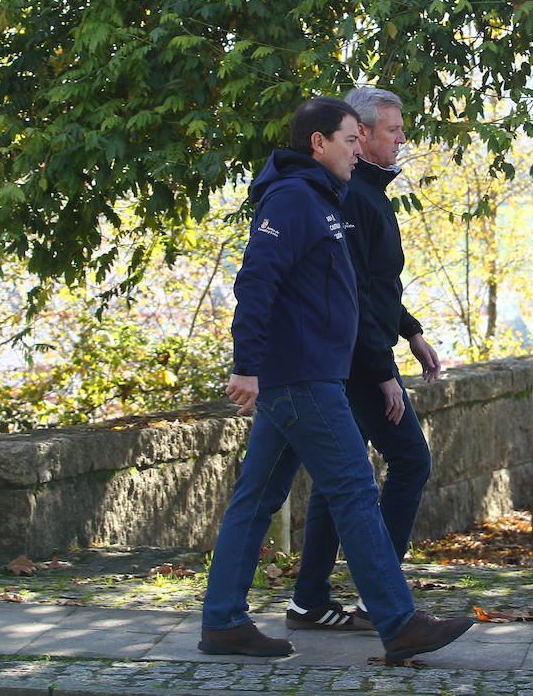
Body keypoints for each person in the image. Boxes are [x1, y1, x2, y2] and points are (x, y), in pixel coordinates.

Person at [198, 97, 473, 662]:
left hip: (305, 375)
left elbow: (355, 290)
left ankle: (223, 622)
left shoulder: (323, 198)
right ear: (319, 143)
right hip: (301, 378)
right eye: (350, 140)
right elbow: (255, 283)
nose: (358, 149)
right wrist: (245, 365)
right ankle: (399, 623)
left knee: (257, 499)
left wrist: (404, 332)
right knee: (351, 490)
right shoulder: (295, 198)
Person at [286, 86, 440, 632]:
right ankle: (383, 597)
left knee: (339, 476)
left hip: (356, 356)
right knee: (410, 461)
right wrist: (381, 371)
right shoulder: (352, 196)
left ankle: (309, 600)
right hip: (351, 362)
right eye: (393, 130)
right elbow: (351, 293)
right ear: (364, 134)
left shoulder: (368, 194)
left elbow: (378, 284)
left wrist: (411, 330)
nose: (403, 139)